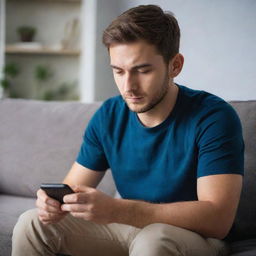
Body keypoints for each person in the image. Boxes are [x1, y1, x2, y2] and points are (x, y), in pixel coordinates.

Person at [12, 4, 244, 256]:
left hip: (195, 237)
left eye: (142, 70)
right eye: (118, 71)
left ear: (175, 65)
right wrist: (52, 204)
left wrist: (119, 210)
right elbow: (72, 189)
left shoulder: (213, 117)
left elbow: (218, 220)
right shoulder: (109, 115)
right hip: (129, 229)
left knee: (155, 241)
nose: (128, 86)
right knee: (32, 223)